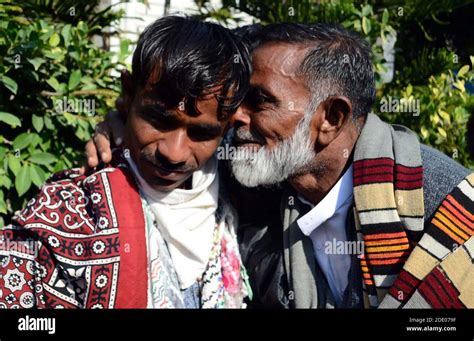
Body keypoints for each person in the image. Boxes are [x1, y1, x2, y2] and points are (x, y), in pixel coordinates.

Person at [87, 23, 474, 309]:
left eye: (258, 100)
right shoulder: (256, 178)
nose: (233, 117)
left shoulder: (444, 212)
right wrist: (124, 125)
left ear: (331, 118)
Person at [0, 15, 252, 309]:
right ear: (128, 93)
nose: (174, 152)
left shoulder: (242, 191)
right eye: (159, 120)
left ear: (231, 125)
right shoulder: (73, 208)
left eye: (202, 133)